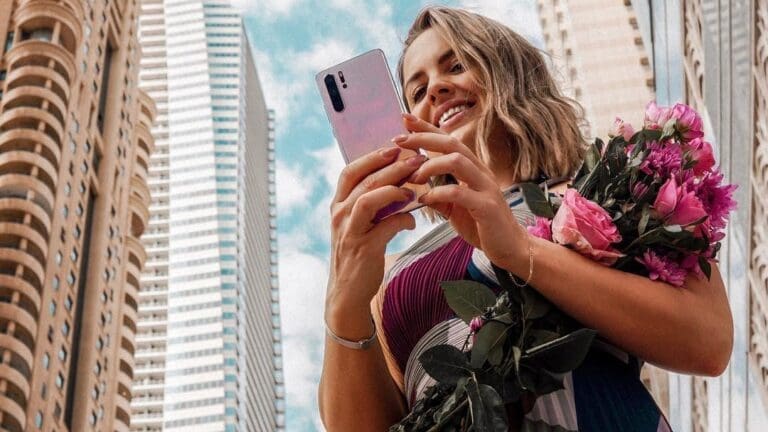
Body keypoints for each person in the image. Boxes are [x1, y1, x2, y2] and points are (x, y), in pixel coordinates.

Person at [318, 6, 733, 431]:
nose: (436, 91)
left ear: (510, 71)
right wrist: (344, 305)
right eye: (417, 91)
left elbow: (708, 341)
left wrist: (520, 251)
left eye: (456, 65)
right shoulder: (389, 277)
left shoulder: (612, 187)